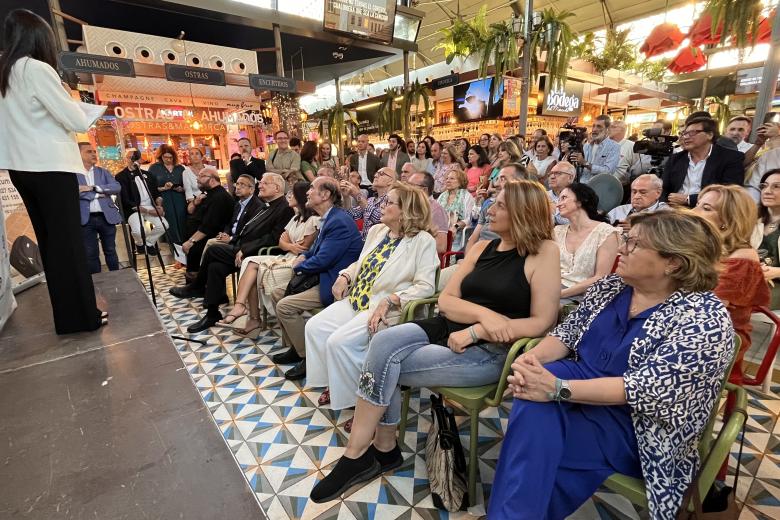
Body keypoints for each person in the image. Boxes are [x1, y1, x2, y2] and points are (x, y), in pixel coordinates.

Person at [309, 180, 561, 503]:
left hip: (490, 350)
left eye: (499, 205)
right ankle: (369, 451)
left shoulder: (544, 252)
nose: (490, 209)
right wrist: (488, 317)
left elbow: (542, 321)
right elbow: (446, 301)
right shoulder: (484, 247)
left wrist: (479, 330)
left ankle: (371, 453)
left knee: (385, 363)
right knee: (382, 344)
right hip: (446, 326)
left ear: (523, 212)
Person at [489, 211, 734, 520]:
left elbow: (645, 390)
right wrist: (534, 359)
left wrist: (555, 388)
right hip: (578, 389)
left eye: (633, 244)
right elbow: (567, 333)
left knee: (536, 443)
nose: (621, 249)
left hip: (636, 423)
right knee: (534, 408)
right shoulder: (612, 287)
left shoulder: (704, 318)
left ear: (673, 261)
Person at [0, 9, 108, 333]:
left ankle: (66, 317)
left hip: (21, 168)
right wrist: (91, 108)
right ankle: (84, 317)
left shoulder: (5, 72)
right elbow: (75, 120)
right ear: (39, 38)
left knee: (50, 245)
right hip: (50, 167)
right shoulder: (36, 69)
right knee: (69, 244)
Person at [305, 183, 438, 419]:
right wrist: (345, 274)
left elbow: (426, 286)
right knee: (315, 327)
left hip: (384, 307)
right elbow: (363, 262)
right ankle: (335, 383)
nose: (382, 206)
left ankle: (361, 404)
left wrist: (392, 300)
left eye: (388, 202)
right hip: (358, 298)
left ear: (406, 210)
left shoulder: (423, 241)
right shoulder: (378, 231)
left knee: (339, 343)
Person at [168, 173, 293, 332]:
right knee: (215, 267)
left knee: (213, 248)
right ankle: (212, 313)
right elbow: (245, 229)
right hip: (243, 248)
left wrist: (244, 248)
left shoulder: (284, 208)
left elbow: (273, 238)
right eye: (259, 182)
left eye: (264, 183)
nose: (259, 185)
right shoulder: (266, 205)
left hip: (258, 254)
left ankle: (198, 286)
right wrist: (236, 242)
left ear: (277, 188)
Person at [270, 177, 363, 380]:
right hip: (323, 276)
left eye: (312, 188)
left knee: (285, 306)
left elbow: (324, 260)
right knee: (276, 293)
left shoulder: (338, 221)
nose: (308, 192)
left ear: (325, 195)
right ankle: (296, 347)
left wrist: (299, 266)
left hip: (334, 283)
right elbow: (316, 250)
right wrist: (304, 256)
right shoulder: (329, 217)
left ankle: (307, 358)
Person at [692, 184, 769, 390]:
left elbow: (708, 311)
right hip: (692, 329)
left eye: (706, 208)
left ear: (728, 221)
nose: (693, 212)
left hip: (716, 338)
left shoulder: (743, 258)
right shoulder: (706, 247)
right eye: (698, 205)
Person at [218, 181, 319, 334]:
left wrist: (288, 244)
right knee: (249, 262)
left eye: (292, 193)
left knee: (253, 267)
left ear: (301, 197)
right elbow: (281, 240)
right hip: (287, 254)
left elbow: (303, 247)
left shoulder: (314, 220)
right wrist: (289, 245)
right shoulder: (295, 218)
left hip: (298, 260)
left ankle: (253, 319)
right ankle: (242, 307)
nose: (289, 195)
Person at [555, 183, 620, 302]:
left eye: (564, 198)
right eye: (558, 200)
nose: (558, 204)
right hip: (552, 288)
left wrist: (560, 294)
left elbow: (600, 277)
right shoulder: (557, 231)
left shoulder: (606, 233)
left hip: (583, 295)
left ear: (581, 200)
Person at [662, 117, 745, 208]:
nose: (685, 137)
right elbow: (664, 188)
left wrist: (689, 199)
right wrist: (663, 205)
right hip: (674, 208)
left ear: (709, 135)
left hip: (709, 209)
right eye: (684, 134)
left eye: (692, 133)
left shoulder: (730, 158)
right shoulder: (676, 158)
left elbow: (729, 193)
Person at [76, 142, 122, 274]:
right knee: (91, 254)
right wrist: (100, 193)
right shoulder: (73, 174)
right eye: (89, 152)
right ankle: (98, 284)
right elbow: (72, 192)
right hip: (86, 219)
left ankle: (117, 278)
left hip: (105, 217)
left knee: (111, 250)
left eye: (94, 151)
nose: (93, 154)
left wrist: (92, 188)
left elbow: (116, 187)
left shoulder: (103, 172)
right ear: (79, 155)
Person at [181, 166, 235, 274]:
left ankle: (197, 288)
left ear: (212, 179)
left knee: (196, 273)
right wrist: (195, 202)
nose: (197, 179)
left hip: (206, 241)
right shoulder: (206, 194)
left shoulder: (220, 196)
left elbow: (209, 225)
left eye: (202, 176)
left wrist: (191, 241)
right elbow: (190, 211)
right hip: (197, 238)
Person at [465, 163, 527, 253]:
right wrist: (468, 260)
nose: (496, 184)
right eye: (497, 179)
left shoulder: (527, 210)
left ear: (519, 182)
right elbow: (473, 238)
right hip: (478, 256)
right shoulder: (488, 206)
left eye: (503, 179)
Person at [116, 150, 167, 256]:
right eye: (130, 157)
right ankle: (139, 243)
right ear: (126, 159)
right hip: (133, 209)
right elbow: (125, 199)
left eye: (135, 157)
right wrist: (146, 210)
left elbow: (156, 193)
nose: (133, 159)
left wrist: (159, 205)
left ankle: (148, 244)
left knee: (163, 225)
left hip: (150, 207)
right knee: (139, 231)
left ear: (140, 159)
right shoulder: (121, 176)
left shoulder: (148, 175)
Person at [343, 167, 397, 240]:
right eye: (376, 173)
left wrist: (357, 195)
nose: (375, 175)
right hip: (363, 243)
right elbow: (352, 215)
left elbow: (379, 218)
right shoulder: (370, 200)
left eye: (381, 174)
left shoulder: (391, 200)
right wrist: (346, 196)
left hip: (377, 245)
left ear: (391, 181)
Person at [149, 144, 187, 246]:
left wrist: (180, 188)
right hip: (163, 199)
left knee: (182, 220)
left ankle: (185, 247)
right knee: (170, 223)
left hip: (179, 199)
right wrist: (163, 188)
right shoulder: (154, 168)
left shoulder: (180, 168)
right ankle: (174, 248)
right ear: (161, 157)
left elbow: (187, 186)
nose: (168, 159)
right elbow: (150, 188)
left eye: (170, 157)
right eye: (165, 157)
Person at [571, 115, 621, 183]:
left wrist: (585, 163)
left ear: (607, 129)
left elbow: (608, 172)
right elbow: (581, 169)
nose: (594, 129)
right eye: (593, 126)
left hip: (598, 187)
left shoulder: (614, 147)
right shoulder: (587, 146)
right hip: (582, 185)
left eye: (599, 126)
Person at [408, 172, 448, 254]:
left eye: (411, 185)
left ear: (424, 190)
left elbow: (441, 247)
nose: (406, 188)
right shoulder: (409, 205)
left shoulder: (436, 210)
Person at [757, 169, 780, 308]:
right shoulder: (750, 219)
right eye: (764, 186)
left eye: (776, 186)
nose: (767, 191)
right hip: (748, 280)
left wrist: (776, 272)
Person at [437, 169, 475, 251]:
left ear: (460, 182)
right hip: (440, 234)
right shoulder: (442, 196)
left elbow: (470, 219)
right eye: (447, 178)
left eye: (452, 179)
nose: (448, 181)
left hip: (458, 236)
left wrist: (455, 226)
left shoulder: (466, 196)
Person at [745, 122, 780, 202]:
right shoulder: (761, 148)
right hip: (746, 191)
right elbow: (742, 163)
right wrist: (758, 143)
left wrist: (776, 137)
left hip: (764, 195)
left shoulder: (776, 148)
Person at [547, 161, 575, 225]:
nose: (552, 177)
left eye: (558, 173)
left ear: (570, 178)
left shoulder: (579, 197)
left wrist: (553, 209)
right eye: (550, 173)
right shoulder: (542, 195)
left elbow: (575, 222)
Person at [609, 120, 637, 186]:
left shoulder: (632, 146)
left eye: (613, 127)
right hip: (602, 184)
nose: (609, 129)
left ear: (622, 130)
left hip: (622, 187)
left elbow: (636, 167)